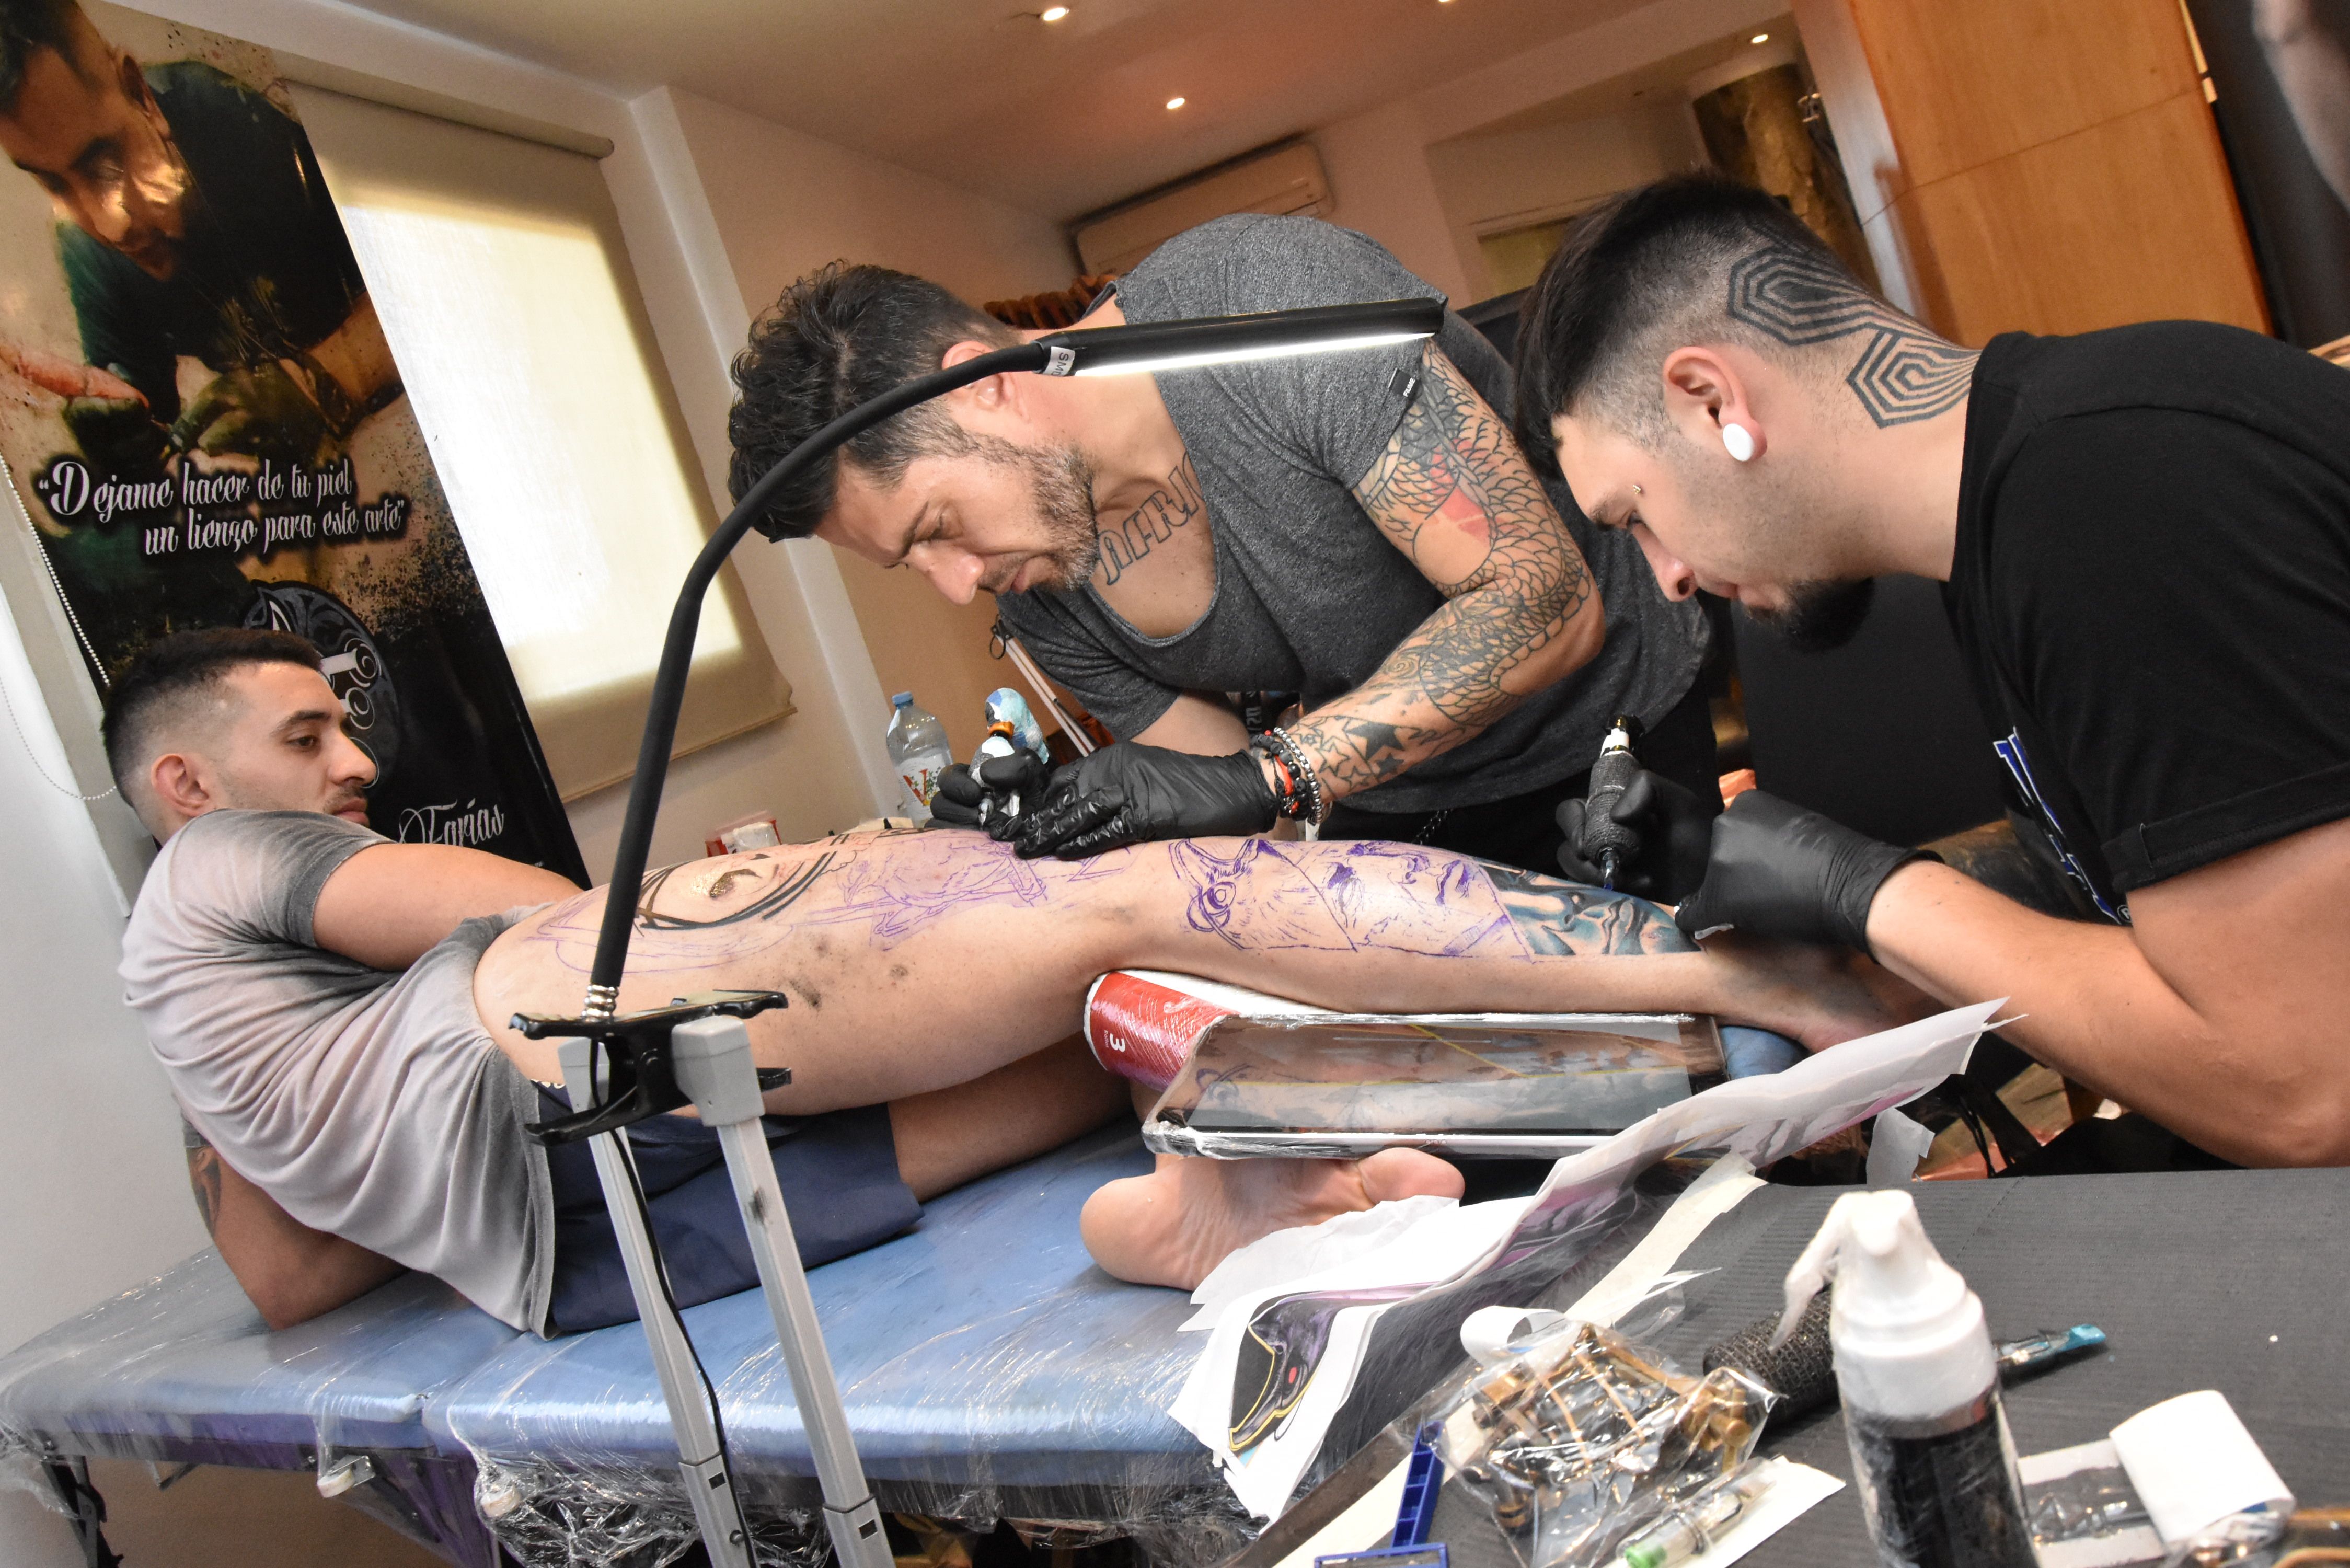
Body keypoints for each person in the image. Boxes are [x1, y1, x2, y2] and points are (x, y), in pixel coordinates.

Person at [109, 629, 1909, 1333]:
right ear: (187, 785)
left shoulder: (197, 1015)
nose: (353, 761)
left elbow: (286, 1279)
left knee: (1098, 1039)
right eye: (307, 733)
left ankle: (1226, 1196)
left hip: (576, 1254)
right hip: (562, 1054)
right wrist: (769, 896)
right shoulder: (220, 860)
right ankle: (1740, 988)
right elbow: (555, 920)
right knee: (1130, 899)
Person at [1517, 173, 2350, 1169]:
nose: (1670, 576)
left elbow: (2303, 1090)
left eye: (1636, 516)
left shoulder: (2109, 499)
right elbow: (2140, 915)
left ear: (1710, 401)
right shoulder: (2023, 507)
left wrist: (1868, 891)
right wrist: (1774, 896)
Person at [725, 215, 1714, 876]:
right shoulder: (1037, 584)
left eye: (936, 528)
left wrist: (1266, 776)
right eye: (911, 565)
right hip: (1398, 796)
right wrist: (1060, 823)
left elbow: (1544, 600)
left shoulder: (1264, 303)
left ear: (985, 385)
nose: (957, 586)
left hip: (1608, 741)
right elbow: (1233, 800)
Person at [0, 0, 395, 476]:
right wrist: (124, 438)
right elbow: (149, 413)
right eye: (54, 183)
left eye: (105, 165)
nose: (111, 228)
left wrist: (322, 383)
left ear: (141, 96)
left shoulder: (229, 119)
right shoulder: (84, 247)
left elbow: (425, 284)